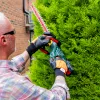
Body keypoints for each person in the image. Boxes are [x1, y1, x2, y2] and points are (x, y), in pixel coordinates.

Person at [0, 12, 70, 100]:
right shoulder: (14, 85)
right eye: (13, 32)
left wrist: (31, 48)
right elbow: (58, 98)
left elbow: (9, 66)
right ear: (3, 40)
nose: (15, 36)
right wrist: (60, 71)